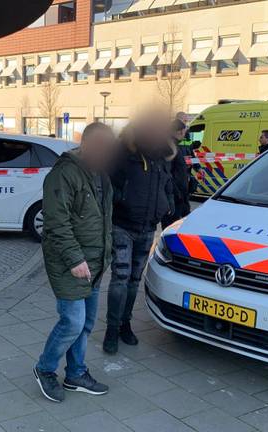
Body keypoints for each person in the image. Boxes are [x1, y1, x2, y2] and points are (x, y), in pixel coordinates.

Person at [34, 122, 119, 403]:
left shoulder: (100, 175)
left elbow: (103, 218)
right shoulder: (64, 174)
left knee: (86, 323)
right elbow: (56, 223)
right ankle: (45, 368)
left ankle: (76, 374)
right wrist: (74, 259)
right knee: (72, 322)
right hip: (71, 263)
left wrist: (107, 253)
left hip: (94, 262)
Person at [104, 114, 174, 355]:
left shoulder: (161, 157)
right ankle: (111, 330)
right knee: (120, 279)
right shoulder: (122, 155)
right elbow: (107, 186)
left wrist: (168, 207)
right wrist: (120, 201)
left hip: (147, 228)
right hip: (122, 226)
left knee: (134, 280)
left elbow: (168, 186)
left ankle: (125, 324)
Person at [162, 119, 192, 228]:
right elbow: (168, 173)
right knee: (172, 226)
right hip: (175, 196)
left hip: (181, 195)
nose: (184, 135)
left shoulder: (175, 145)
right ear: (179, 132)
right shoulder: (169, 147)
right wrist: (177, 193)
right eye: (184, 132)